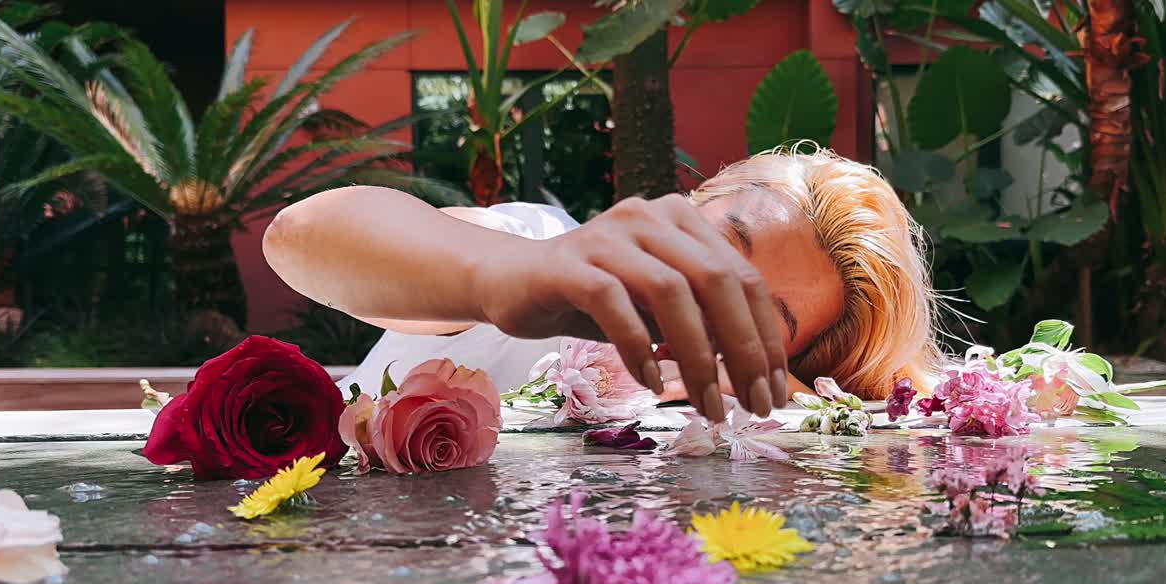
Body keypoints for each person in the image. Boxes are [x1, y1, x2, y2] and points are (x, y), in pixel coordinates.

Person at [263, 144, 941, 425]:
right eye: (718, 247)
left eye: (752, 313)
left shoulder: (731, 432)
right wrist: (505, 273)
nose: (701, 291)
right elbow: (298, 238)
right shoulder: (531, 243)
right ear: (693, 197)